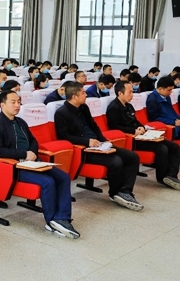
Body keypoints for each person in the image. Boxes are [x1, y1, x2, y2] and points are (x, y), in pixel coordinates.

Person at [0, 90, 78, 238]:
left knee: (64, 177)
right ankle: (51, 221)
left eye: (19, 102)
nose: (17, 105)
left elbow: (33, 140)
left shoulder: (20, 122)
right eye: (13, 102)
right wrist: (24, 154)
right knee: (48, 182)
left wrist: (32, 153)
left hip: (33, 162)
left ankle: (62, 217)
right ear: (2, 105)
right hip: (16, 166)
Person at [54, 81, 143, 210]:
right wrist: (87, 142)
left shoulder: (84, 107)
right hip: (84, 149)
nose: (86, 95)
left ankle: (125, 191)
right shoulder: (61, 113)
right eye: (83, 93)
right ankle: (115, 193)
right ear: (74, 96)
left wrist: (103, 140)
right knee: (116, 161)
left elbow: (93, 126)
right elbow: (63, 136)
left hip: (98, 144)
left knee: (132, 156)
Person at [106, 81, 180, 190]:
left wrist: (141, 127)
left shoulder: (129, 106)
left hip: (141, 135)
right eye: (130, 92)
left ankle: (172, 175)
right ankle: (162, 177)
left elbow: (135, 121)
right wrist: (134, 131)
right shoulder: (113, 108)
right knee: (162, 149)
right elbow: (115, 127)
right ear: (120, 93)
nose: (132, 95)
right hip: (132, 139)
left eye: (132, 92)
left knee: (174, 146)